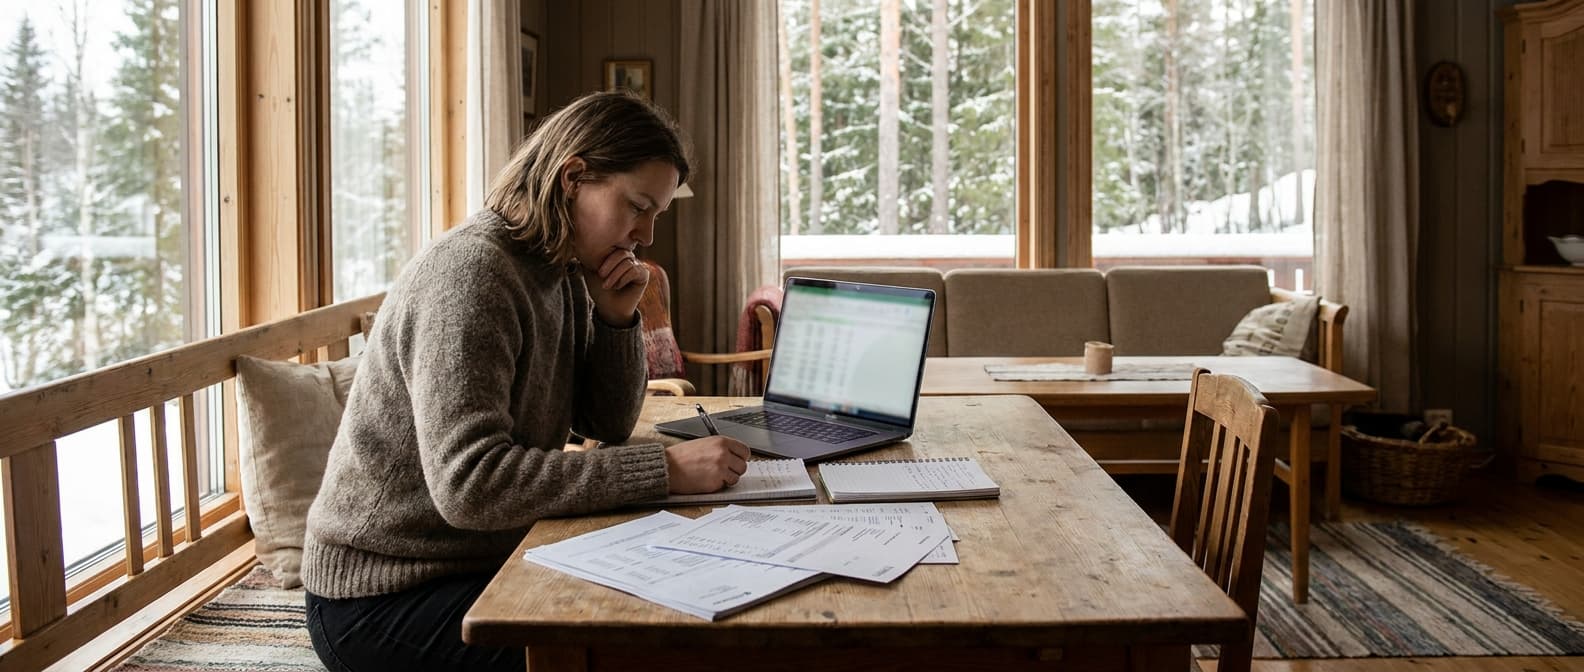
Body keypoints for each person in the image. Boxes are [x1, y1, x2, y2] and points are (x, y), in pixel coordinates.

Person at [301, 91, 750, 672]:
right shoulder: (473, 275)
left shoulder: (558, 267)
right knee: (633, 647)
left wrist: (615, 318)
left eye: (656, 214)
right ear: (573, 178)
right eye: (638, 206)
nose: (647, 235)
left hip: (477, 558)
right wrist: (663, 470)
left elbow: (607, 424)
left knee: (683, 607)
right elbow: (471, 485)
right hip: (382, 596)